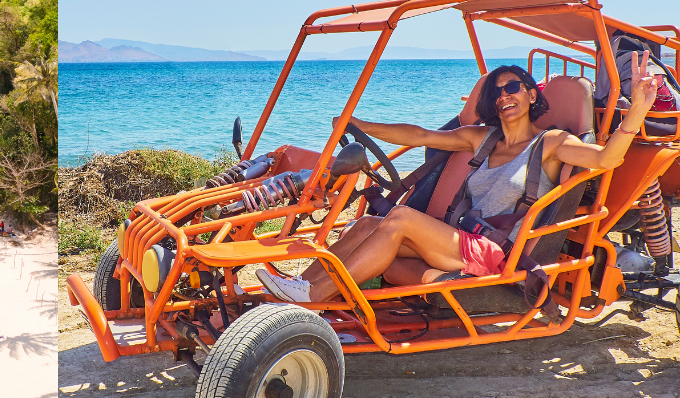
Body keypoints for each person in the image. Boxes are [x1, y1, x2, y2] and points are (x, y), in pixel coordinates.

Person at [256, 59, 661, 314]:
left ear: (532, 93)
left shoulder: (552, 143)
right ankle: (298, 293)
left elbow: (607, 159)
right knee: (364, 227)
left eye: (513, 87)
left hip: (498, 253)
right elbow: (420, 135)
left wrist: (638, 109)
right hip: (461, 240)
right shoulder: (483, 138)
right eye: (497, 91)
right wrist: (360, 124)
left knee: (397, 219)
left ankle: (310, 297)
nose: (504, 95)